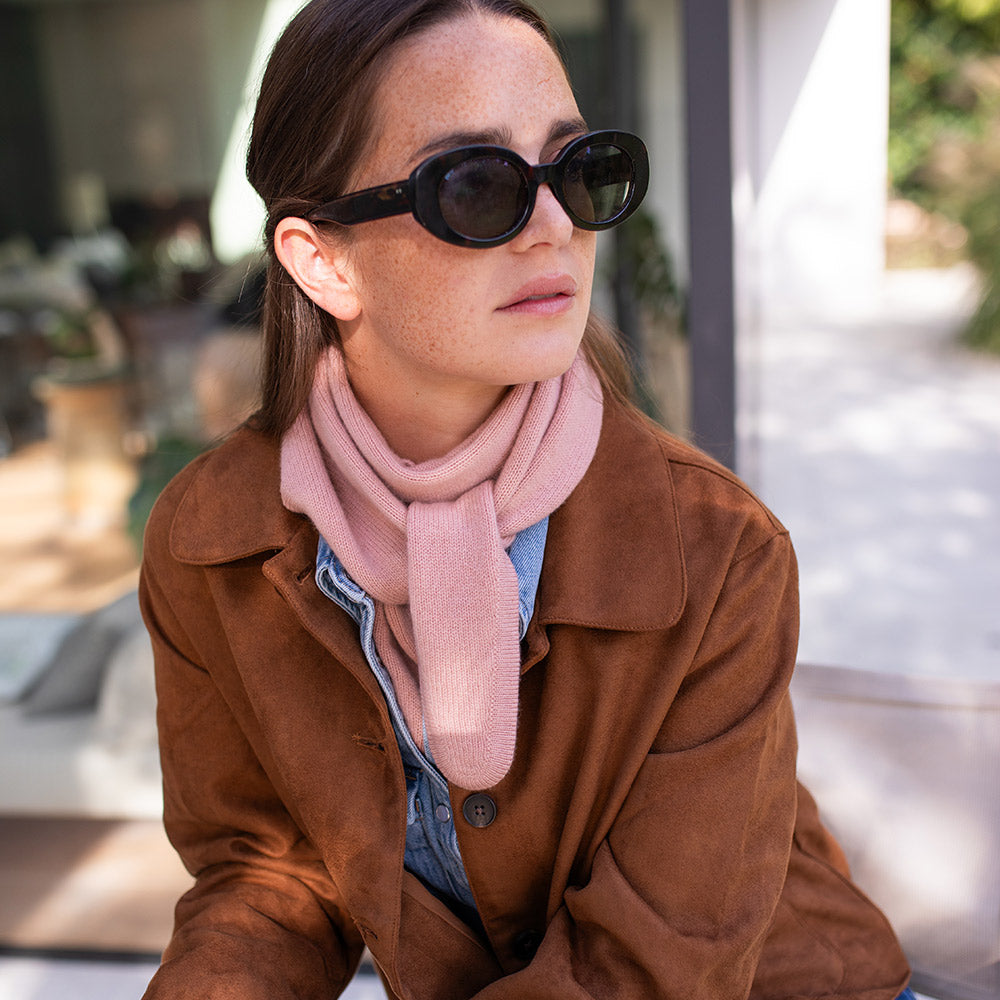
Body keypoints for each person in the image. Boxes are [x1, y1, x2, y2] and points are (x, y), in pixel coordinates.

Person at [139, 1, 916, 998]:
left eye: (579, 170)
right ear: (323, 260)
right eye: (476, 185)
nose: (555, 226)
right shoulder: (211, 539)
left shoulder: (716, 549)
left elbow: (645, 964)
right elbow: (268, 869)